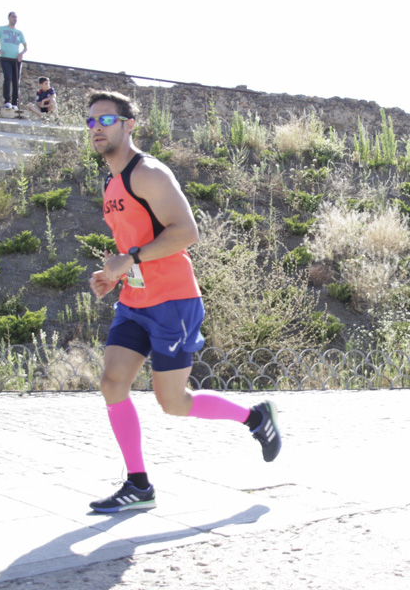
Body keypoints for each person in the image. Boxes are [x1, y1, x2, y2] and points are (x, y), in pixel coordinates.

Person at [85, 91, 280, 512]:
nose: (96, 129)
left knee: (173, 402)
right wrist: (114, 274)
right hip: (134, 299)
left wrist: (129, 259)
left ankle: (255, 418)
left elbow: (186, 232)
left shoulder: (150, 173)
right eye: (90, 122)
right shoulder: (109, 182)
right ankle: (138, 484)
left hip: (173, 300)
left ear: (128, 124)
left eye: (105, 121)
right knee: (112, 382)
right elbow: (134, 243)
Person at [0, 12, 27, 110]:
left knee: (16, 81)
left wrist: (21, 54)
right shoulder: (1, 29)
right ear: (9, 18)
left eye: (16, 17)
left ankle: (15, 103)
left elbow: (26, 47)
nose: (15, 19)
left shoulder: (19, 32)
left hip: (16, 60)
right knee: (8, 78)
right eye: (13, 17)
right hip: (5, 58)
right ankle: (7, 101)